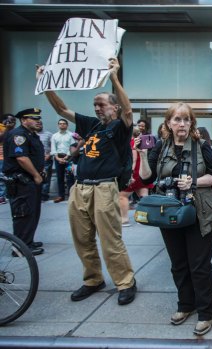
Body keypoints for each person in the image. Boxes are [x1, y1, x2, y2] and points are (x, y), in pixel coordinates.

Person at [37, 58, 137, 305]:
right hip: (80, 188)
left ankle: (126, 281)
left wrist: (114, 77)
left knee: (110, 240)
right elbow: (62, 110)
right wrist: (46, 84)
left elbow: (128, 111)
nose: (97, 108)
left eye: (101, 104)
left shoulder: (120, 127)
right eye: (95, 105)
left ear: (113, 108)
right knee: (82, 239)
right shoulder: (91, 125)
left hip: (104, 187)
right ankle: (93, 279)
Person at [138, 102, 212, 336]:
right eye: (177, 119)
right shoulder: (160, 148)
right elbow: (146, 178)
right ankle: (186, 304)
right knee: (178, 265)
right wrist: (142, 155)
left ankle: (206, 311)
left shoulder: (203, 146)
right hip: (170, 213)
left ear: (192, 123)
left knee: (199, 266)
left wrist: (193, 181)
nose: (182, 123)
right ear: (168, 124)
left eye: (186, 119)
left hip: (199, 213)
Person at [2, 108, 45, 255]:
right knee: (23, 213)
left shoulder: (30, 134)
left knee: (32, 212)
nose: (38, 120)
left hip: (29, 181)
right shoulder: (18, 135)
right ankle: (20, 248)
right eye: (33, 118)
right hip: (21, 181)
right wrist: (36, 175)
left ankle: (27, 242)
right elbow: (21, 158)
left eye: (39, 118)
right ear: (24, 120)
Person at [119, 128, 153, 227]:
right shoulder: (140, 142)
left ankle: (124, 219)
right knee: (143, 195)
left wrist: (130, 173)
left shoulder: (131, 142)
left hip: (133, 172)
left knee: (122, 195)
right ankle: (142, 218)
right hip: (142, 171)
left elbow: (133, 159)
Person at [50, 118, 75, 203]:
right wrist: (57, 158)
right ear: (58, 125)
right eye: (60, 123)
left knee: (70, 178)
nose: (62, 125)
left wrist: (66, 157)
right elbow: (53, 148)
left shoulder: (71, 135)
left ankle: (72, 196)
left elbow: (72, 147)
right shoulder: (54, 136)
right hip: (58, 158)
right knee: (59, 177)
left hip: (69, 158)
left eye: (64, 123)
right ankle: (61, 196)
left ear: (67, 125)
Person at [0, 113, 17, 205]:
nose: (12, 122)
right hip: (1, 157)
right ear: (4, 121)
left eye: (14, 121)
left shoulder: (15, 130)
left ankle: (7, 195)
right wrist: (7, 128)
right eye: (10, 120)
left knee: (7, 177)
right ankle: (2, 196)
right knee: (2, 177)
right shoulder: (1, 128)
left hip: (11, 157)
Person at [38, 126, 53, 201]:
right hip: (35, 159)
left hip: (46, 158)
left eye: (40, 123)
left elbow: (53, 146)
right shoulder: (31, 134)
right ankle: (37, 194)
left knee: (46, 177)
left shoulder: (48, 134)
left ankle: (44, 195)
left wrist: (49, 155)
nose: (38, 124)